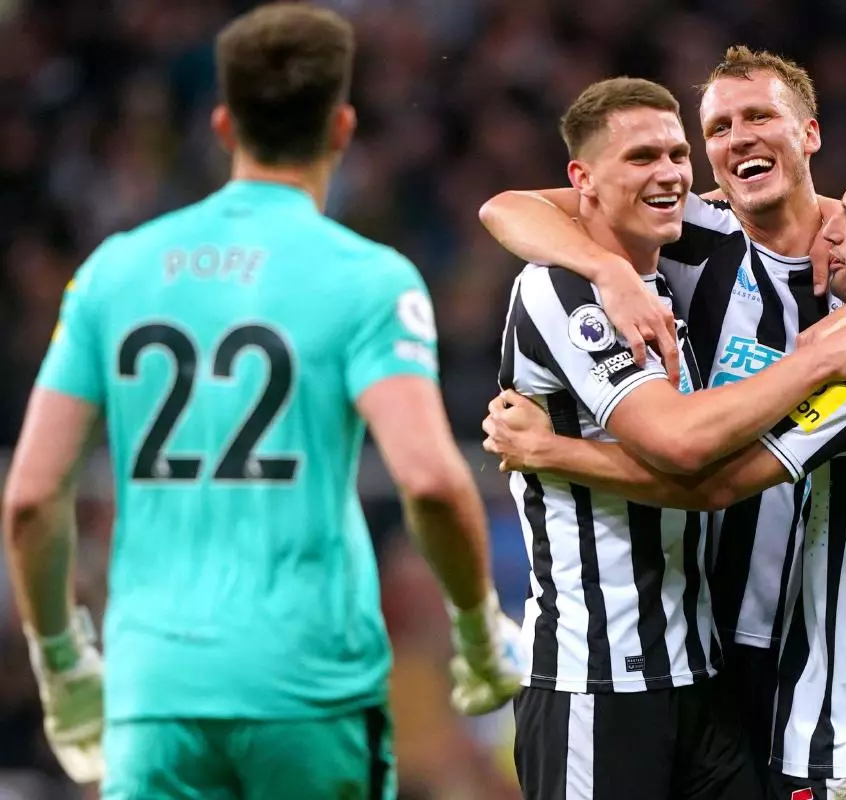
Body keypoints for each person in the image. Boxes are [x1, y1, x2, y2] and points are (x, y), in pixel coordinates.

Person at [478, 45, 846, 783]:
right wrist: (608, 269)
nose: (738, 137)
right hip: (706, 636)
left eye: (758, 117)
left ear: (809, 133)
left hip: (811, 654)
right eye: (718, 129)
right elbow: (507, 209)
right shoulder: (690, 235)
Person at [1, 5, 520, 798]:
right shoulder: (367, 278)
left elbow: (32, 496)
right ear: (342, 127)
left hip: (156, 690)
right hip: (309, 687)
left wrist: (65, 667)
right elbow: (428, 480)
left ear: (222, 124)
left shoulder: (114, 271)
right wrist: (480, 636)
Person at [499, 76, 846, 800]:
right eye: (642, 157)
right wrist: (819, 359)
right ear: (582, 180)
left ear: (811, 134)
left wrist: (554, 451)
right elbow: (681, 446)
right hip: (597, 676)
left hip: (706, 667)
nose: (669, 173)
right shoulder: (563, 289)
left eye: (676, 155)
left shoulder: (675, 284)